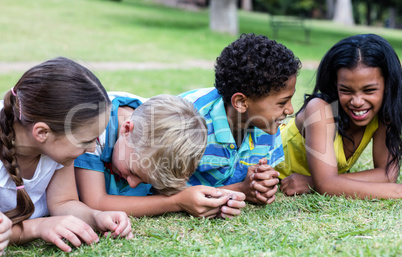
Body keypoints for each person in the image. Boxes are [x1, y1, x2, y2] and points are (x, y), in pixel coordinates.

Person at [0, 57, 133, 254]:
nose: (90, 150)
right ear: (42, 133)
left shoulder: (57, 151)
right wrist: (37, 227)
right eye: (84, 141)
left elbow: (63, 202)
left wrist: (96, 216)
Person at [74, 91, 246, 219]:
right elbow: (96, 203)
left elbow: (178, 190)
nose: (133, 184)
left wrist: (221, 199)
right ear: (127, 130)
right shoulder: (95, 128)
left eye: (146, 181)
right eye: (133, 171)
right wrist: (177, 202)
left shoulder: (160, 139)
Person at [181, 33, 301, 204]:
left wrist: (262, 183)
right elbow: (167, 192)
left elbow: (258, 178)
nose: (290, 109)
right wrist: (240, 190)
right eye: (282, 103)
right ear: (241, 102)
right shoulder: (189, 123)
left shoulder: (267, 124)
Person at [277, 34, 402, 199]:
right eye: (346, 90)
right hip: (261, 168)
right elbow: (327, 186)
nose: (357, 102)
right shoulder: (319, 109)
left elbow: (386, 175)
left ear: (387, 85)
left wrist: (313, 182)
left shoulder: (383, 114)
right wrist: (397, 192)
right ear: (335, 84)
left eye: (369, 90)